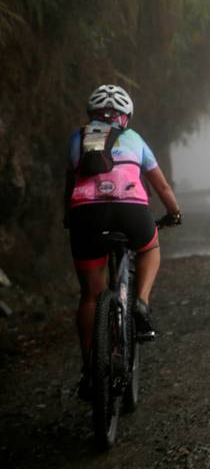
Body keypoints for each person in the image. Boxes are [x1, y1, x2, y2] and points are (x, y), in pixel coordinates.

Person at [64, 84, 182, 399]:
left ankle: (90, 370)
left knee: (90, 295)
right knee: (150, 248)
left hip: (86, 216)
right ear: (125, 117)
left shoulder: (78, 139)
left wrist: (70, 219)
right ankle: (141, 303)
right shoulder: (135, 139)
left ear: (92, 115)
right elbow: (162, 187)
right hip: (132, 212)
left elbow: (69, 184)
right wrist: (174, 213)